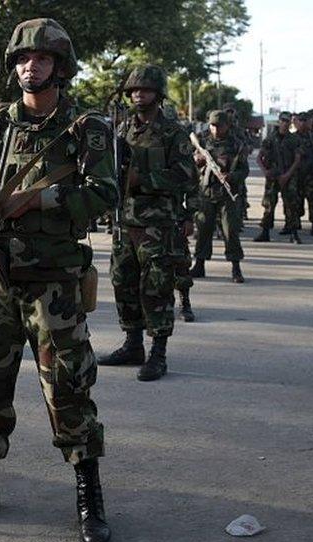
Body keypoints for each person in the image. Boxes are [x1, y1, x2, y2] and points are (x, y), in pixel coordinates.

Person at [0, 18, 115, 542]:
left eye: (40, 59)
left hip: (54, 280)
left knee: (69, 387)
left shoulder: (85, 128)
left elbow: (104, 194)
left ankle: (88, 492)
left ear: (60, 67)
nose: (28, 67)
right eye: (21, 59)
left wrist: (40, 199)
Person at [98, 63, 199, 382]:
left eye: (145, 89)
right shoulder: (122, 128)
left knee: (156, 287)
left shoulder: (172, 132)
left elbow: (186, 176)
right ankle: (132, 344)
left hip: (157, 224)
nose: (138, 94)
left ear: (158, 94)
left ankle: (158, 352)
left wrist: (146, 178)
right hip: (124, 220)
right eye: (134, 90)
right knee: (123, 282)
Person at [191, 110, 248, 283]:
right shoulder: (202, 141)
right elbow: (191, 161)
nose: (215, 129)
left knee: (230, 230)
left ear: (227, 126)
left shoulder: (236, 144)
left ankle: (235, 267)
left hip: (227, 194)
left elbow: (243, 170)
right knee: (203, 229)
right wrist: (198, 159)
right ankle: (199, 264)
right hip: (207, 192)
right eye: (212, 125)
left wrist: (231, 176)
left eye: (219, 126)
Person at [255, 111, 302, 243]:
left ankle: (293, 232)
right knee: (269, 205)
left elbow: (297, 159)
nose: (285, 123)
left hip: (289, 175)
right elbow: (259, 157)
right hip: (273, 176)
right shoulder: (270, 138)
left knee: (291, 205)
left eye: (287, 121)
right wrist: (265, 171)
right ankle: (265, 232)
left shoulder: (294, 139)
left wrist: (287, 175)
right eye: (283, 120)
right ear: (279, 121)